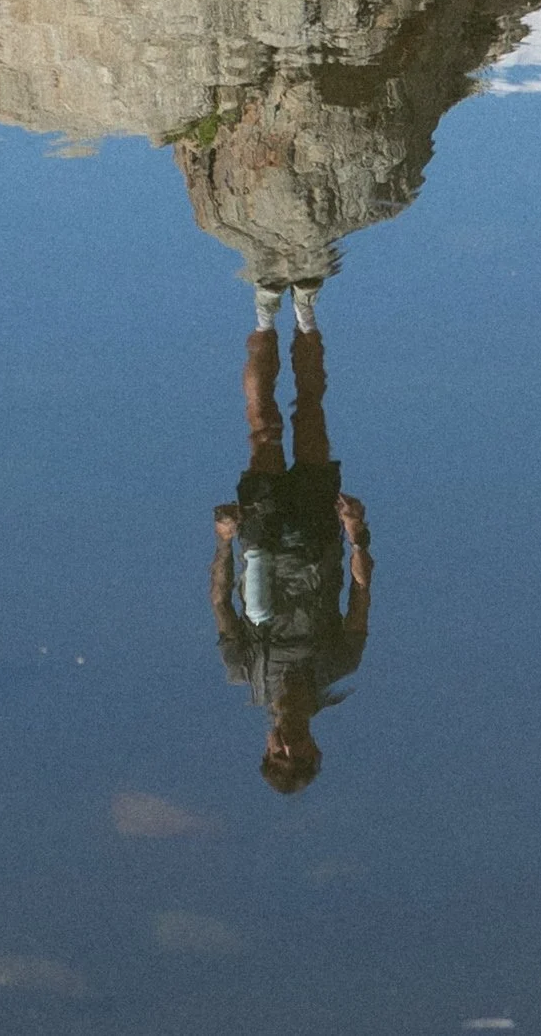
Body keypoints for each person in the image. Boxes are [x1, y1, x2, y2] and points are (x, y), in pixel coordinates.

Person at [210, 286, 371, 793]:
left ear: (267, 748)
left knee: (263, 427)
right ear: (313, 748)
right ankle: (305, 313)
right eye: (296, 755)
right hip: (319, 531)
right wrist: (356, 535)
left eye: (278, 754)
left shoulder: (246, 671)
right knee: (311, 416)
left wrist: (223, 540)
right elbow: (361, 595)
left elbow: (219, 599)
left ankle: (263, 312)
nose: (286, 746)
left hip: (260, 535)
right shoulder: (339, 662)